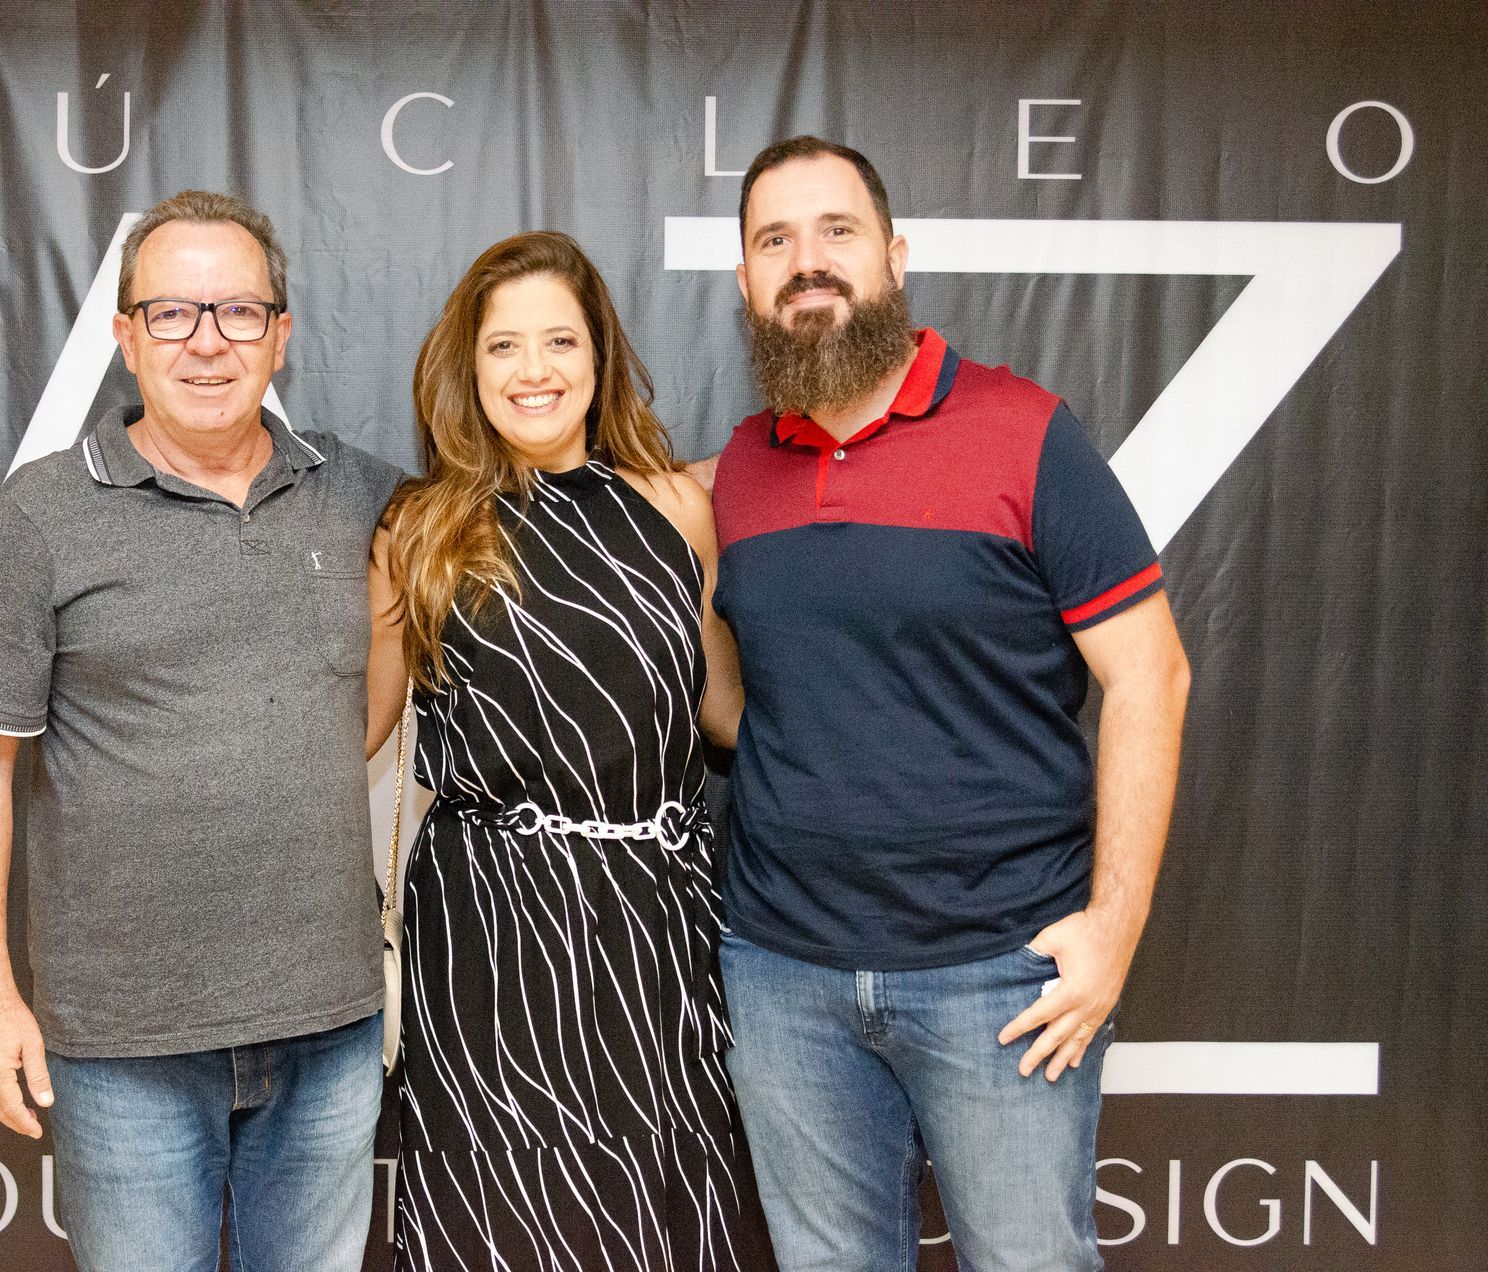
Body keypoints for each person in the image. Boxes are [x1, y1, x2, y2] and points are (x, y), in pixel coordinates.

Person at [700, 137, 1192, 1270]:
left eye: (836, 232)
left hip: (999, 976)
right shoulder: (741, 470)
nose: (806, 262)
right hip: (785, 978)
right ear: (745, 282)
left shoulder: (1026, 433)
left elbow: (1151, 675)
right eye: (775, 240)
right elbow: (747, 705)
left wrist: (1112, 932)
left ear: (894, 255)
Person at [0, 189, 401, 1271]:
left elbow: (517, 503)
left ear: (281, 334)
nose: (206, 342)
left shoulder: (361, 496)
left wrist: (711, 491)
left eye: (238, 312)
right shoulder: (41, 514)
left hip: (329, 1028)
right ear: (124, 336)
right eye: (172, 313)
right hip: (123, 1048)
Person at [366, 230, 747, 1269]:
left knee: (657, 1205)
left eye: (560, 343)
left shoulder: (677, 507)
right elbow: (356, 730)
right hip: (493, 924)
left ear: (599, 358)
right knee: (501, 1207)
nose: (534, 372)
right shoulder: (422, 530)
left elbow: (718, 713)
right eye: (504, 348)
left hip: (658, 920)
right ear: (468, 366)